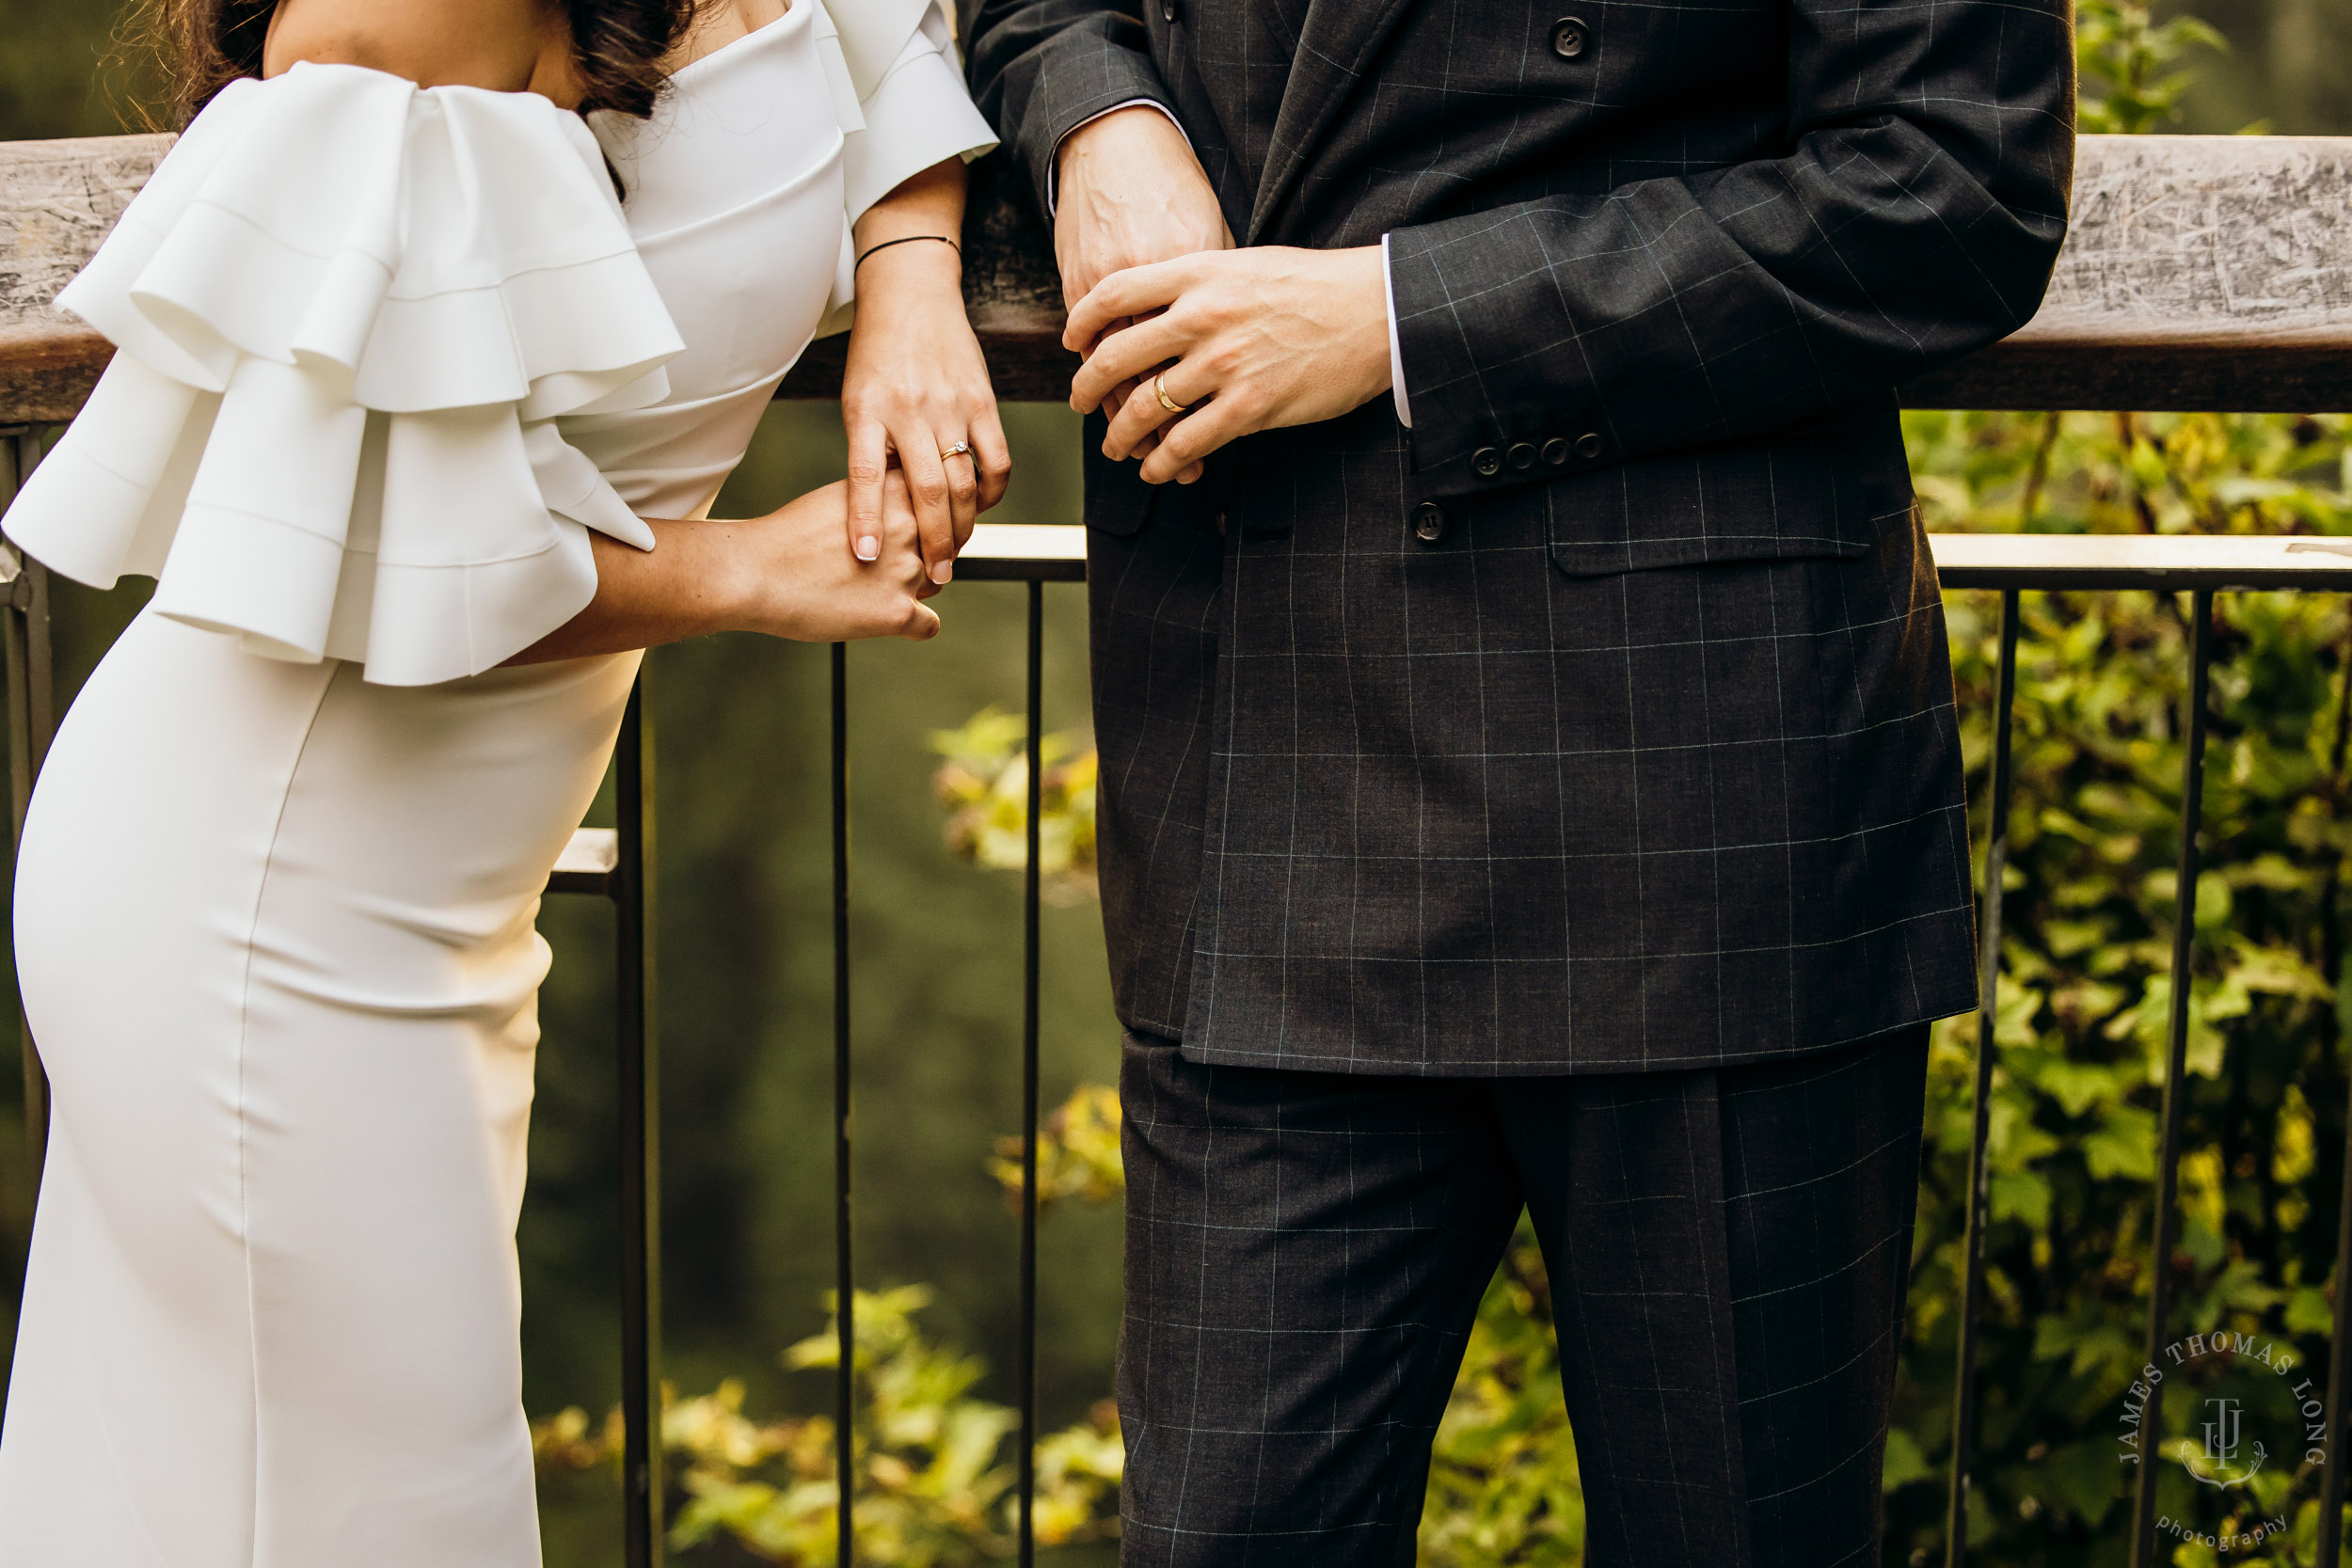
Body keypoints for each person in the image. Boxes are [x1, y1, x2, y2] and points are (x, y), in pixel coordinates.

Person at [961, 0, 2074, 1560]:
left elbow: (1952, 188)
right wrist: (1096, 116)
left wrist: (1407, 318)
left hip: (1697, 800)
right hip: (1266, 768)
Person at [0, 0, 1001, 1560]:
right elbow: (346, 541)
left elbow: (897, 60)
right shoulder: (420, 13)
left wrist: (912, 276)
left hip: (443, 908)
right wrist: (741, 568)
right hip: (259, 893)